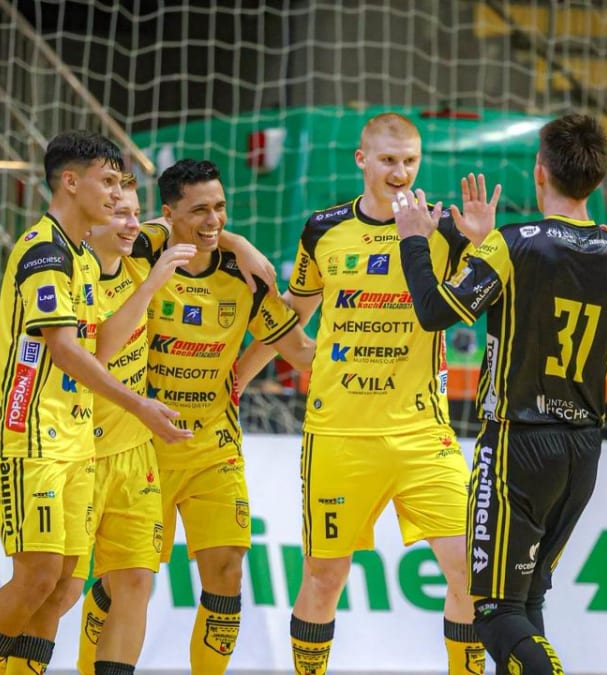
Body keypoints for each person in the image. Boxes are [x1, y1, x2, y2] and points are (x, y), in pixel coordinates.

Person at [395, 112, 607, 674]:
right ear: (597, 184)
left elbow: (435, 312)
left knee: (494, 609)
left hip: (517, 446)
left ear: (539, 172)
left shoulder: (514, 244)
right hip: (583, 451)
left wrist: (414, 242)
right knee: (527, 600)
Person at [237, 112, 487, 675]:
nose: (400, 172)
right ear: (362, 160)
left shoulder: (443, 230)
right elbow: (293, 318)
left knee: (473, 574)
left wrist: (480, 240)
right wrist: (245, 370)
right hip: (339, 435)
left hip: (424, 435)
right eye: (389, 160)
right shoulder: (323, 230)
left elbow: (491, 290)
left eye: (410, 161)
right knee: (325, 578)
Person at [0, 130, 191, 675]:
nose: (117, 195)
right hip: (28, 436)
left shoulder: (84, 258)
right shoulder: (45, 253)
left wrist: (152, 283)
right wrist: (139, 405)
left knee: (64, 585)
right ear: (71, 182)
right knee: (38, 576)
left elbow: (102, 346)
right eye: (107, 181)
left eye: (120, 184)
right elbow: (64, 350)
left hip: (74, 439)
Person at [143, 158, 313, 675]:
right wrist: (238, 238)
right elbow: (122, 228)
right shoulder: (142, 255)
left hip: (213, 444)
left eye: (220, 207)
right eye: (199, 210)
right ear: (169, 214)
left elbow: (300, 350)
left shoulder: (245, 279)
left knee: (227, 571)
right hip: (141, 443)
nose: (213, 219)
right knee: (126, 580)